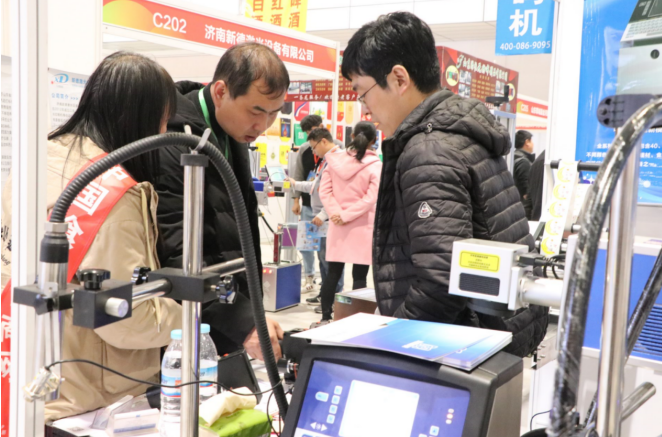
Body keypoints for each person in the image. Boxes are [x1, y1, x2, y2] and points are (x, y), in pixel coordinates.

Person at [342, 12, 547, 357]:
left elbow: (439, 279)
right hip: (497, 330)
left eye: (364, 94)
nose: (366, 110)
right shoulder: (463, 133)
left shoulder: (429, 148)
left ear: (398, 78)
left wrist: (393, 347)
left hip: (462, 343)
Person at [1, 52, 182, 420]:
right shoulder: (116, 192)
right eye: (163, 121)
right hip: (86, 397)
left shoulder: (36, 159)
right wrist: (187, 317)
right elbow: (123, 318)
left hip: (26, 370)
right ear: (141, 119)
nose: (163, 134)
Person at [156, 43, 286, 360]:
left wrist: (249, 312)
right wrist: (244, 322)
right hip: (187, 331)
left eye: (274, 113)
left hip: (226, 316)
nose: (264, 125)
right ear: (220, 91)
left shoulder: (230, 130)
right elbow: (177, 252)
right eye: (256, 111)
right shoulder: (175, 142)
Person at [318, 122, 382, 320]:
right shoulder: (376, 165)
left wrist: (337, 214)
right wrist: (347, 215)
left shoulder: (334, 161)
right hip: (363, 227)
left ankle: (326, 317)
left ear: (352, 135)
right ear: (374, 140)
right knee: (360, 277)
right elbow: (371, 198)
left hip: (338, 226)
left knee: (333, 275)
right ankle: (356, 318)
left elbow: (324, 191)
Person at [287, 128, 344, 315]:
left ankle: (333, 300)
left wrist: (324, 214)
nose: (313, 152)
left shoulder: (338, 161)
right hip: (321, 219)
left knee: (331, 264)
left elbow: (339, 194)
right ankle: (325, 296)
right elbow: (316, 186)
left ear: (324, 141)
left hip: (328, 220)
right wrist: (296, 184)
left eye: (314, 147)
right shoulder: (326, 161)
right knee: (323, 259)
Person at [514, 130, 536, 218]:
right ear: (527, 142)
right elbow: (526, 191)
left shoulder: (513, 157)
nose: (533, 144)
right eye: (531, 141)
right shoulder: (524, 162)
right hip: (522, 210)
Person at [526, 150, 546, 221]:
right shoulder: (546, 162)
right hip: (546, 222)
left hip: (536, 220)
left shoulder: (536, 162)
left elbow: (529, 200)